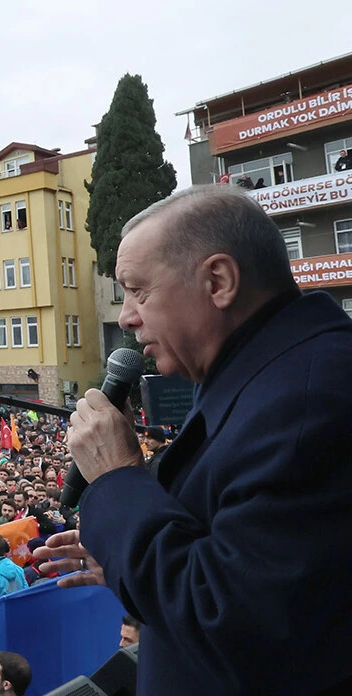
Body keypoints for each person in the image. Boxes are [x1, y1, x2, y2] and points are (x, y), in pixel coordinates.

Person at [34, 185, 352, 694]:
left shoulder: (310, 399)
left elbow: (232, 621)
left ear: (218, 281)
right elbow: (220, 554)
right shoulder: (257, 375)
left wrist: (117, 480)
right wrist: (125, 554)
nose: (126, 316)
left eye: (139, 291)